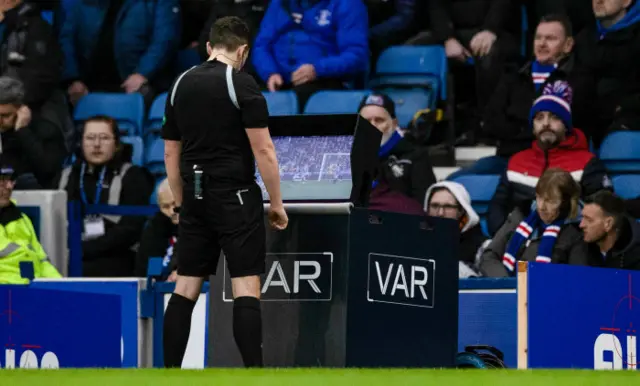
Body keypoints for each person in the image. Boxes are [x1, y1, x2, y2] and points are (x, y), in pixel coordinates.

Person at [162, 17, 288, 369]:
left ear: (209, 47)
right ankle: (253, 374)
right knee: (246, 286)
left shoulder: (180, 84)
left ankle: (167, 374)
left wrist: (181, 200)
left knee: (185, 287)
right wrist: (276, 203)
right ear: (243, 50)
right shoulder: (242, 84)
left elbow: (171, 152)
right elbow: (264, 150)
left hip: (195, 195)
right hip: (235, 195)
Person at [449, 14, 588, 179]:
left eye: (550, 38)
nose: (542, 44)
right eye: (538, 38)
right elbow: (491, 121)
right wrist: (529, 132)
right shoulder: (513, 75)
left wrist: (518, 127)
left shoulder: (577, 80)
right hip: (508, 158)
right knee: (455, 181)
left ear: (568, 45)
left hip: (556, 162)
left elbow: (576, 125)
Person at [487, 80, 611, 236]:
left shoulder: (587, 163)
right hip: (521, 248)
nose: (546, 123)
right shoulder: (516, 162)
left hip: (568, 249)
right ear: (533, 127)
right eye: (539, 118)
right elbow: (497, 207)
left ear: (566, 125)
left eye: (554, 117)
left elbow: (603, 210)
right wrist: (507, 240)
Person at [57, 116, 154, 277]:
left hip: (116, 258)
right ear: (81, 143)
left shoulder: (133, 176)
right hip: (68, 255)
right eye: (90, 138)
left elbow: (130, 230)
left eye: (104, 138)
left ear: (116, 145)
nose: (96, 144)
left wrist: (84, 249)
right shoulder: (66, 176)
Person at [480, 168, 589, 277]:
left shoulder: (576, 232)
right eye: (539, 197)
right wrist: (507, 283)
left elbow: (576, 277)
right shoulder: (521, 215)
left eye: (551, 201)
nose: (542, 207)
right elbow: (490, 255)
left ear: (565, 203)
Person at [359, 93, 436, 214]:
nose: (372, 126)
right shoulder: (347, 157)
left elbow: (424, 206)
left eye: (379, 120)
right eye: (366, 121)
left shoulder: (415, 157)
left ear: (394, 124)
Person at [0, 76, 67, 189]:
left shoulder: (47, 131)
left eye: (5, 116)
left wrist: (23, 132)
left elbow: (48, 171)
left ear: (22, 110)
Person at [0, 161, 62, 284]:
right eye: (2, 181)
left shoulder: (22, 218)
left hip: (30, 289)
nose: (9, 186)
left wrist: (60, 284)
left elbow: (41, 260)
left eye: (11, 181)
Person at [423, 181, 487, 278]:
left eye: (448, 206)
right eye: (435, 206)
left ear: (461, 211)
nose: (440, 213)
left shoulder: (482, 248)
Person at [581, 190, 640, 270]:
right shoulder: (579, 243)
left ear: (608, 224)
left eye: (589, 220)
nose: (581, 225)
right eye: (582, 217)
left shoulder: (635, 258)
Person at [135, 178, 180, 280]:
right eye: (165, 206)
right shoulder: (155, 227)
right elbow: (147, 269)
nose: (172, 211)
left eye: (175, 203)